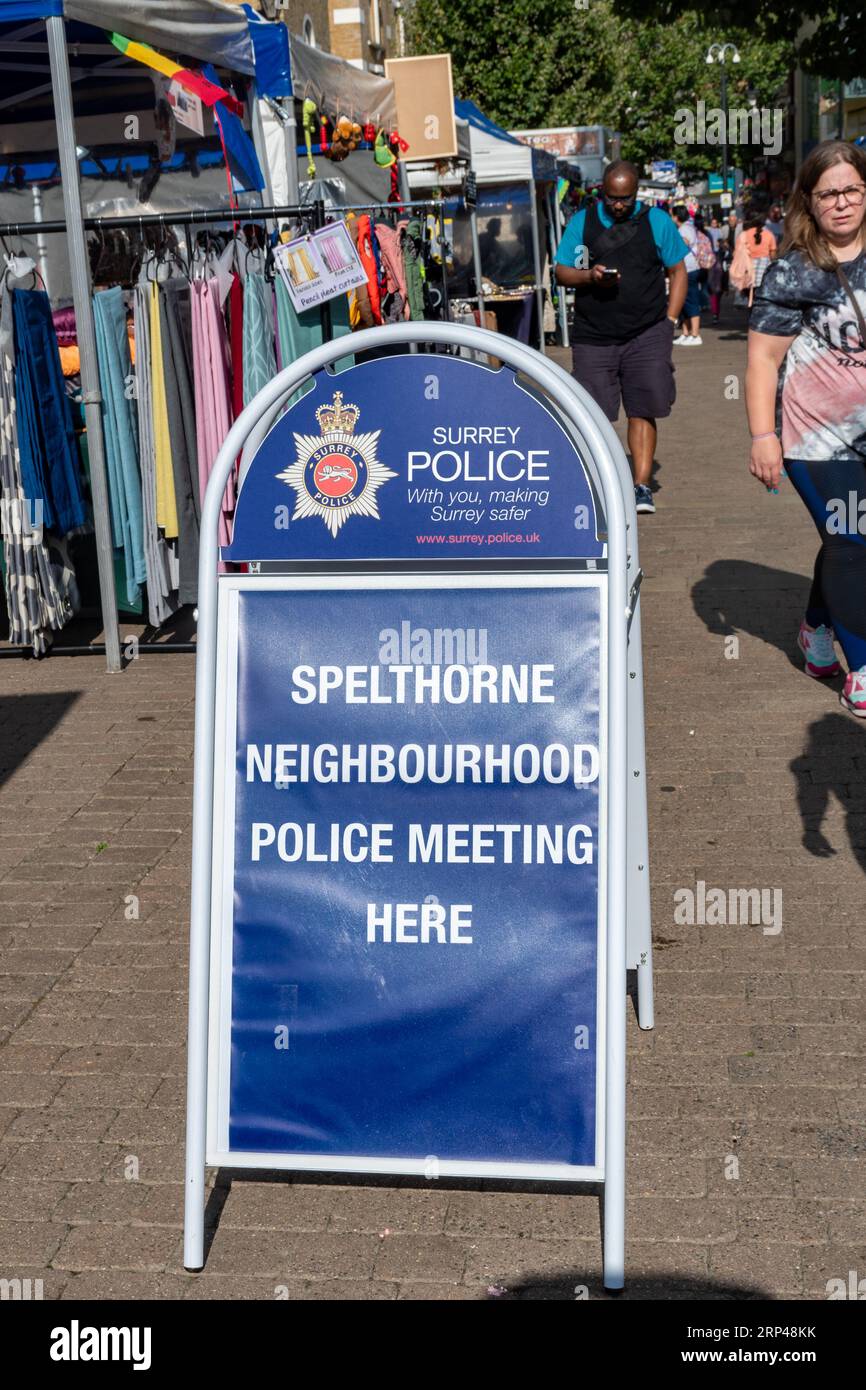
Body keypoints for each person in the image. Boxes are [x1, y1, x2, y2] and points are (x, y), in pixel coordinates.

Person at [746, 139, 866, 717]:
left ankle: (816, 628)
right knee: (852, 541)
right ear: (810, 203)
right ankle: (863, 668)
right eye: (828, 194)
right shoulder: (793, 271)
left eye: (851, 190)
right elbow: (763, 360)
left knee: (849, 541)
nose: (841, 203)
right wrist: (762, 436)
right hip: (815, 438)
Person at [554, 160, 688, 514]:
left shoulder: (656, 221)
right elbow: (563, 272)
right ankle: (600, 483)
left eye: (625, 199)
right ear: (602, 190)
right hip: (594, 335)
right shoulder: (583, 222)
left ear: (636, 193)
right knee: (593, 413)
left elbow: (678, 271)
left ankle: (641, 486)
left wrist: (670, 322)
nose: (617, 205)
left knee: (643, 409)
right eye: (612, 198)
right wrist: (589, 277)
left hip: (646, 331)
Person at [671, 204, 702, 344]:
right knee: (683, 301)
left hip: (689, 268)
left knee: (691, 300)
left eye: (672, 215)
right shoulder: (683, 228)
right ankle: (685, 333)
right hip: (684, 269)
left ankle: (695, 334)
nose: (671, 218)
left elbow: (682, 246)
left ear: (677, 216)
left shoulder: (685, 229)